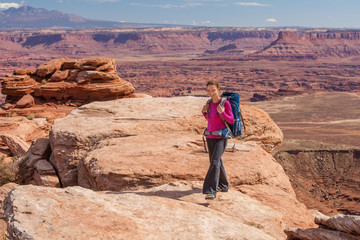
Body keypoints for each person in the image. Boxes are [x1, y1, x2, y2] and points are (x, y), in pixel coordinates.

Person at [201, 80, 234, 200]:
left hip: (221, 137)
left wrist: (223, 113)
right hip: (210, 136)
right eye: (209, 91)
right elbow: (210, 119)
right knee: (217, 161)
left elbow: (231, 120)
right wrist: (204, 112)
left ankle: (211, 191)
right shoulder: (209, 102)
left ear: (218, 89)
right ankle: (224, 186)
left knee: (214, 162)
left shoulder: (225, 103)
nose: (211, 93)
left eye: (213, 90)